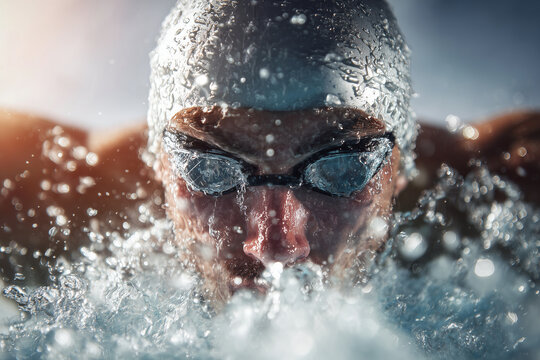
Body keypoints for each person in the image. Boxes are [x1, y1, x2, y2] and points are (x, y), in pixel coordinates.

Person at [1, 0, 538, 301]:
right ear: (158, 162)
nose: (277, 245)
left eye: (343, 167)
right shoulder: (49, 194)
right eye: (210, 168)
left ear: (400, 164)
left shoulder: (493, 191)